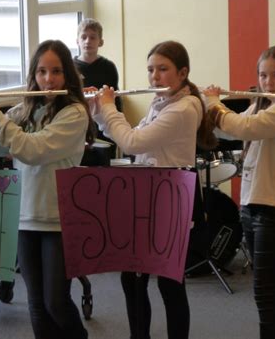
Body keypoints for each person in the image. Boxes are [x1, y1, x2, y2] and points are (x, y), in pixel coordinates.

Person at [0, 39, 94, 339]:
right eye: (41, 72)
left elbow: (33, 150)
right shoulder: (25, 111)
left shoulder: (75, 113)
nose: (48, 80)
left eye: (55, 71)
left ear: (67, 74)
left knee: (56, 302)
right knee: (37, 305)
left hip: (59, 219)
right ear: (33, 74)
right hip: (25, 217)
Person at [91, 40, 217, 339]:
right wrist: (98, 111)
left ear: (183, 73)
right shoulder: (163, 101)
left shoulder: (185, 107)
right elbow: (133, 137)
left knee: (168, 283)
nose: (154, 77)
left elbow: (132, 143)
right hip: (150, 191)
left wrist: (109, 107)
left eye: (163, 69)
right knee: (133, 277)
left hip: (171, 193)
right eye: (150, 70)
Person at [203, 44, 275, 339]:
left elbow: (246, 128)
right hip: (253, 203)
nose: (268, 82)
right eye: (263, 75)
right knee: (268, 287)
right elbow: (229, 130)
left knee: (265, 290)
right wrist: (203, 106)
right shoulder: (263, 102)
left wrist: (216, 105)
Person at [74, 18, 122, 162]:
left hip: (102, 127)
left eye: (93, 37)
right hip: (78, 127)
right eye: (84, 37)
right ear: (77, 41)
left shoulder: (108, 67)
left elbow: (115, 99)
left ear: (100, 42)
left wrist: (116, 130)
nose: (88, 41)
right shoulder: (70, 67)